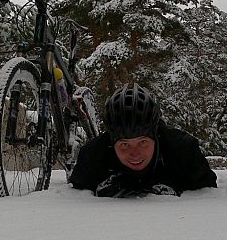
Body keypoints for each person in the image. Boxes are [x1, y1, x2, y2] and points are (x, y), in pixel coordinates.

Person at [69, 83, 217, 197]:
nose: (135, 154)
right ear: (112, 142)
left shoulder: (183, 151)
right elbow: (77, 198)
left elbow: (206, 196)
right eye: (125, 145)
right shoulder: (93, 156)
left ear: (156, 136)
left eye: (142, 142)